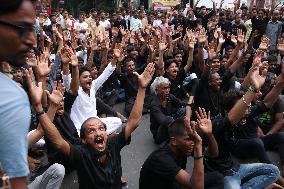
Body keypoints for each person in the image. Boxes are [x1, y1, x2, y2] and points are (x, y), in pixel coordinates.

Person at [26, 63, 155, 189]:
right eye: (91, 131)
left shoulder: (113, 143)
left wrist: (142, 88)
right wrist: (39, 107)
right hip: (64, 158)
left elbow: (133, 122)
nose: (98, 133)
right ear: (84, 140)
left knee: (117, 120)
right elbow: (58, 142)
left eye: (101, 129)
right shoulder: (82, 154)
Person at [140, 106, 223, 189]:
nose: (192, 143)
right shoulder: (161, 158)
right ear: (174, 141)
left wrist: (209, 134)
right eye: (188, 139)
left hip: (172, 183)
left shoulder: (184, 146)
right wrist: (198, 145)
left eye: (193, 138)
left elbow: (213, 153)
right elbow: (197, 187)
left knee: (217, 178)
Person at [0, 0, 37, 188]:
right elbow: (16, 184)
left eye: (33, 29)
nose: (32, 40)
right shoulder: (11, 97)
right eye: (22, 28)